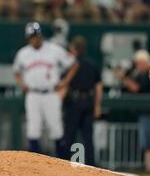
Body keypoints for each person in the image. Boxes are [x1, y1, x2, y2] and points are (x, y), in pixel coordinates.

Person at [13, 22, 78, 157]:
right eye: (31, 36)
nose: (34, 39)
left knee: (56, 129)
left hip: (51, 94)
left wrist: (65, 82)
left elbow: (73, 64)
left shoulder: (54, 49)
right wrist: (22, 85)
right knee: (33, 129)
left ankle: (61, 164)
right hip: (33, 94)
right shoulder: (23, 53)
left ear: (41, 35)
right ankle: (36, 167)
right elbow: (17, 72)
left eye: (36, 35)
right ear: (28, 38)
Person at [62, 36, 103, 166]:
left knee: (69, 137)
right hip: (88, 102)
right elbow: (98, 86)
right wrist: (97, 105)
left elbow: (64, 85)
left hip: (73, 103)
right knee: (88, 138)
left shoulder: (70, 65)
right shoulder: (92, 63)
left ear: (74, 49)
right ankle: (91, 167)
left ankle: (64, 166)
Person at [114, 49, 150, 172]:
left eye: (139, 63)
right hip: (145, 113)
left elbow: (136, 88)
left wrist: (122, 77)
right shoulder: (139, 74)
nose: (137, 66)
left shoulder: (149, 72)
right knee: (148, 143)